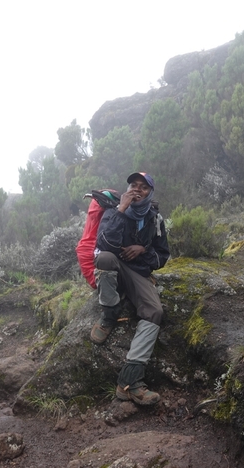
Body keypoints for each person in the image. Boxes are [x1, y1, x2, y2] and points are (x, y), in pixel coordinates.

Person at [90, 171, 170, 405]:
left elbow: (163, 255)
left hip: (137, 272)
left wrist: (143, 250)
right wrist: (120, 210)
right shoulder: (113, 212)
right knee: (104, 258)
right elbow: (102, 244)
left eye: (143, 187)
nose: (137, 190)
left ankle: (129, 382)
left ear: (150, 193)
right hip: (113, 266)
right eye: (133, 186)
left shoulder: (155, 220)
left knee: (154, 312)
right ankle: (109, 315)